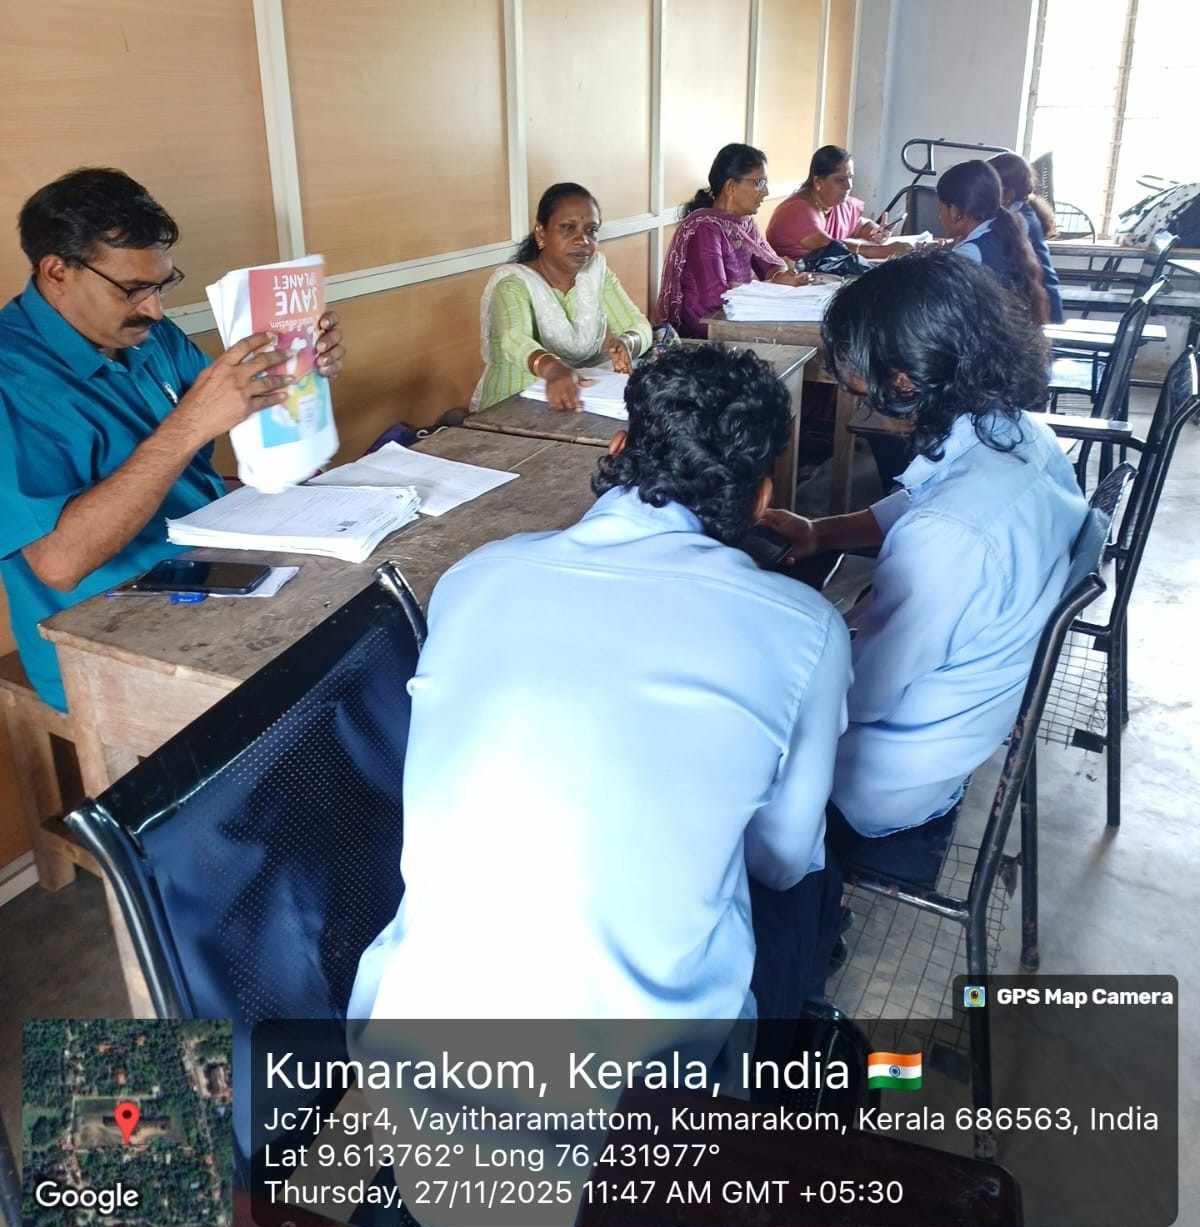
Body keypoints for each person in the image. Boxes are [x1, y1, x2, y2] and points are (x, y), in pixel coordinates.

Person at [350, 344, 851, 1027]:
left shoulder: (473, 575)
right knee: (811, 881)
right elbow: (781, 861)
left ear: (618, 447)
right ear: (763, 497)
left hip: (406, 1040)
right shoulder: (808, 631)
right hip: (634, 1084)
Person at [762, 254, 1084, 865]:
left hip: (886, 775)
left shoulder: (949, 535)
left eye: (855, 370)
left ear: (905, 378)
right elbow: (920, 500)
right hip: (958, 712)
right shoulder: (1018, 435)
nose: (850, 384)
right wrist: (821, 532)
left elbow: (861, 694)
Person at [0, 167, 345, 711]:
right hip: (112, 635)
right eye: (133, 290)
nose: (154, 310)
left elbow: (235, 409)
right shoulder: (11, 378)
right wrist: (188, 427)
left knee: (367, 625)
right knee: (323, 689)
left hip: (218, 566)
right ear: (57, 271)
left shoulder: (147, 335)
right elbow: (60, 564)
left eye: (161, 285)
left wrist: (300, 365)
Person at [472, 183, 652, 412]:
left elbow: (639, 325)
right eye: (568, 228)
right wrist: (552, 369)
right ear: (541, 233)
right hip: (510, 407)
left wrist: (626, 343)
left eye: (591, 230)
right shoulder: (513, 284)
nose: (583, 241)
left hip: (577, 401)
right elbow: (514, 339)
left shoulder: (595, 273)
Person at [654, 144, 813, 339]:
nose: (766, 192)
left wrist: (782, 276)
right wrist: (772, 286)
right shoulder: (705, 228)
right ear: (731, 187)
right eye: (759, 183)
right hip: (708, 329)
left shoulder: (744, 223)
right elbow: (715, 298)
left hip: (739, 315)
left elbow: (771, 264)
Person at [936, 157, 1050, 323]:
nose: (939, 217)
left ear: (954, 211)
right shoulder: (1000, 230)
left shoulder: (969, 253)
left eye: (940, 209)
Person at [766, 145, 909, 267]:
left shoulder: (836, 204)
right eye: (840, 180)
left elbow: (859, 225)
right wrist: (886, 250)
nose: (849, 186)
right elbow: (831, 248)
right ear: (818, 182)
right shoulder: (797, 210)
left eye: (850, 177)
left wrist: (875, 231)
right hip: (790, 281)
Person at [991, 150, 1064, 322]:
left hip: (1042, 308)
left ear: (1006, 193)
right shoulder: (1023, 210)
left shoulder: (1019, 220)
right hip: (1039, 300)